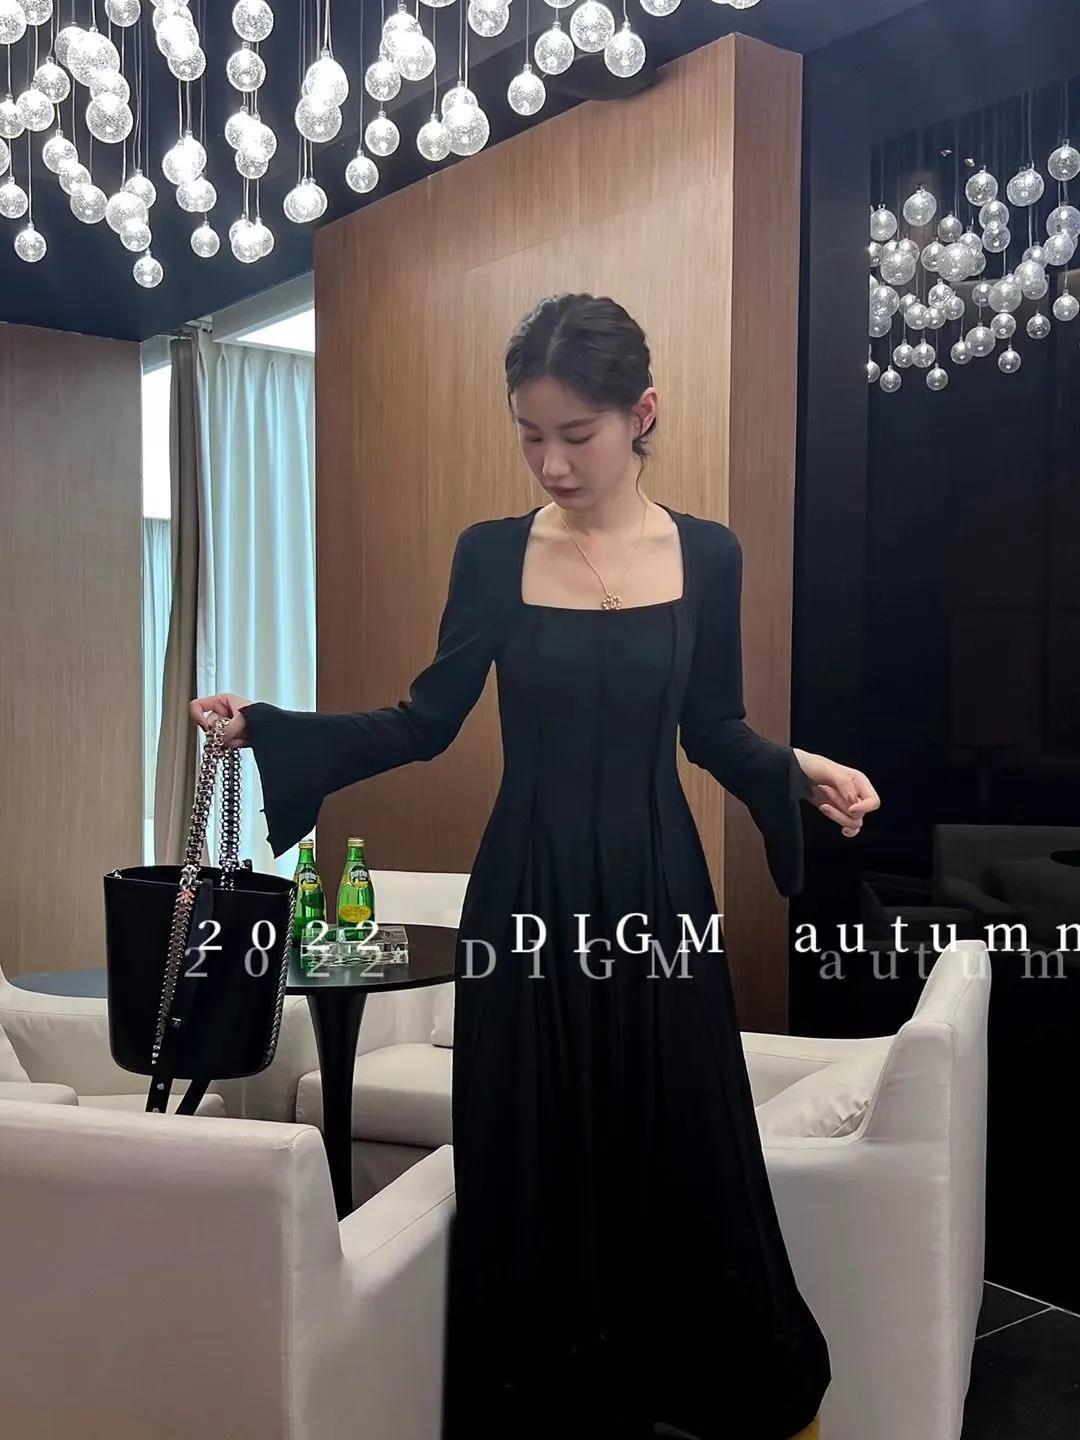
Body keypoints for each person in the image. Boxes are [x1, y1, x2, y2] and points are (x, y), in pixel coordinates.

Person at [191, 293, 879, 1440]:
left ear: (641, 414)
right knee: (530, 1142)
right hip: (527, 887)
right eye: (530, 436)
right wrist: (265, 728)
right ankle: (546, 1410)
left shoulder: (708, 554)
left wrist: (798, 768)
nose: (552, 464)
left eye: (576, 435)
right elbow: (423, 720)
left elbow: (713, 728)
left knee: (687, 1130)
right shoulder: (492, 555)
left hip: (657, 891)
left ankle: (733, 1393)